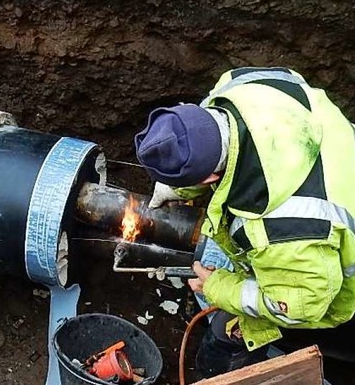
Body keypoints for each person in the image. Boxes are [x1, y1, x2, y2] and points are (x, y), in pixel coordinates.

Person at [133, 66, 355, 378]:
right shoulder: (239, 85)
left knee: (229, 332)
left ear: (210, 177)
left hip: (335, 290)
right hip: (342, 175)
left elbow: (303, 305)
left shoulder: (284, 229)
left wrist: (219, 288)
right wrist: (179, 185)